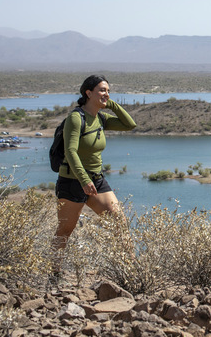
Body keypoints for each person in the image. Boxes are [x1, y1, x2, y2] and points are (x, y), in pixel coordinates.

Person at [52, 75, 137, 276]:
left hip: (97, 180)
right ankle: (53, 272)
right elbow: (71, 151)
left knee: (119, 223)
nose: (106, 93)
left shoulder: (100, 118)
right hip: (73, 181)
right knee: (65, 230)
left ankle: (131, 271)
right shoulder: (76, 118)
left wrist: (110, 104)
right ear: (88, 93)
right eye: (101, 90)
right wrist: (83, 180)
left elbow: (129, 124)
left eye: (108, 90)